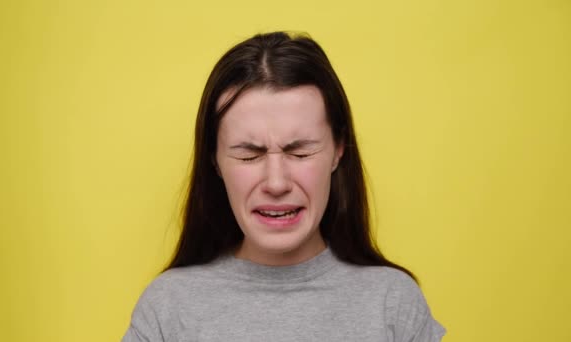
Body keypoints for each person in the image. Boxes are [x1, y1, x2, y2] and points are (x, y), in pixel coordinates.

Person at [122, 31, 446, 342]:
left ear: (338, 150)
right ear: (215, 160)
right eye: (249, 155)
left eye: (300, 152)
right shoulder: (167, 309)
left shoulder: (394, 304)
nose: (276, 183)